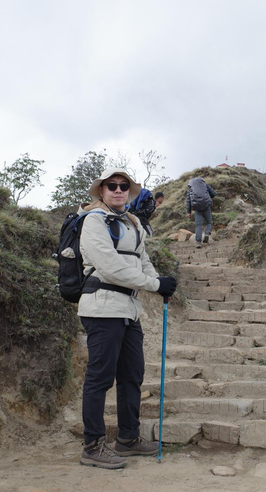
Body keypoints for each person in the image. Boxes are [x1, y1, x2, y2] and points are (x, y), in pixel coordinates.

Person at [77, 167, 177, 469]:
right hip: (102, 307)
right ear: (102, 190)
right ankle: (92, 446)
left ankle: (128, 438)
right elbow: (109, 267)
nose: (118, 190)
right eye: (112, 186)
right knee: (100, 377)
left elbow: (143, 261)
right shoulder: (93, 221)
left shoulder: (133, 223)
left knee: (132, 375)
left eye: (123, 186)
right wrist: (154, 285)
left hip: (129, 310)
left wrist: (158, 281)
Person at [186, 177, 216, 248]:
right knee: (208, 222)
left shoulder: (190, 189)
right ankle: (206, 234)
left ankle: (198, 243)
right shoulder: (205, 185)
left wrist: (188, 212)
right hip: (206, 206)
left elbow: (188, 201)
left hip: (197, 208)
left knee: (198, 225)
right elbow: (214, 193)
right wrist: (209, 197)